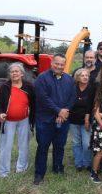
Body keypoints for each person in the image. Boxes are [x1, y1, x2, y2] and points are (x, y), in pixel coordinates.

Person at [33, 54, 77, 185]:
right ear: (52, 63)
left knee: (60, 146)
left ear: (65, 65)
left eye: (62, 64)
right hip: (45, 119)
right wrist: (59, 111)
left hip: (62, 120)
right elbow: (43, 98)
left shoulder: (69, 79)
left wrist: (64, 111)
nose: (59, 66)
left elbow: (72, 97)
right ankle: (39, 173)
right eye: (57, 63)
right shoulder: (42, 78)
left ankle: (58, 167)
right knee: (43, 146)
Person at [0, 63, 35, 177]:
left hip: (24, 120)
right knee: (6, 146)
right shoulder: (4, 87)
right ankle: (4, 172)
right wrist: (0, 114)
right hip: (8, 121)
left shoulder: (29, 86)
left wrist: (33, 119)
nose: (14, 73)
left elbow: (34, 103)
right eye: (12, 72)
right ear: (9, 74)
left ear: (22, 73)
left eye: (17, 71)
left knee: (24, 145)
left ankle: (21, 168)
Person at [69, 68, 95, 172]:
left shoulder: (92, 88)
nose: (85, 77)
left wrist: (87, 118)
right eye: (82, 75)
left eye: (87, 76)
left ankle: (87, 162)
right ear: (78, 77)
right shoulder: (73, 88)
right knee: (76, 142)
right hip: (73, 119)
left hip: (86, 120)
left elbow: (91, 105)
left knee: (86, 143)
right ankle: (78, 163)